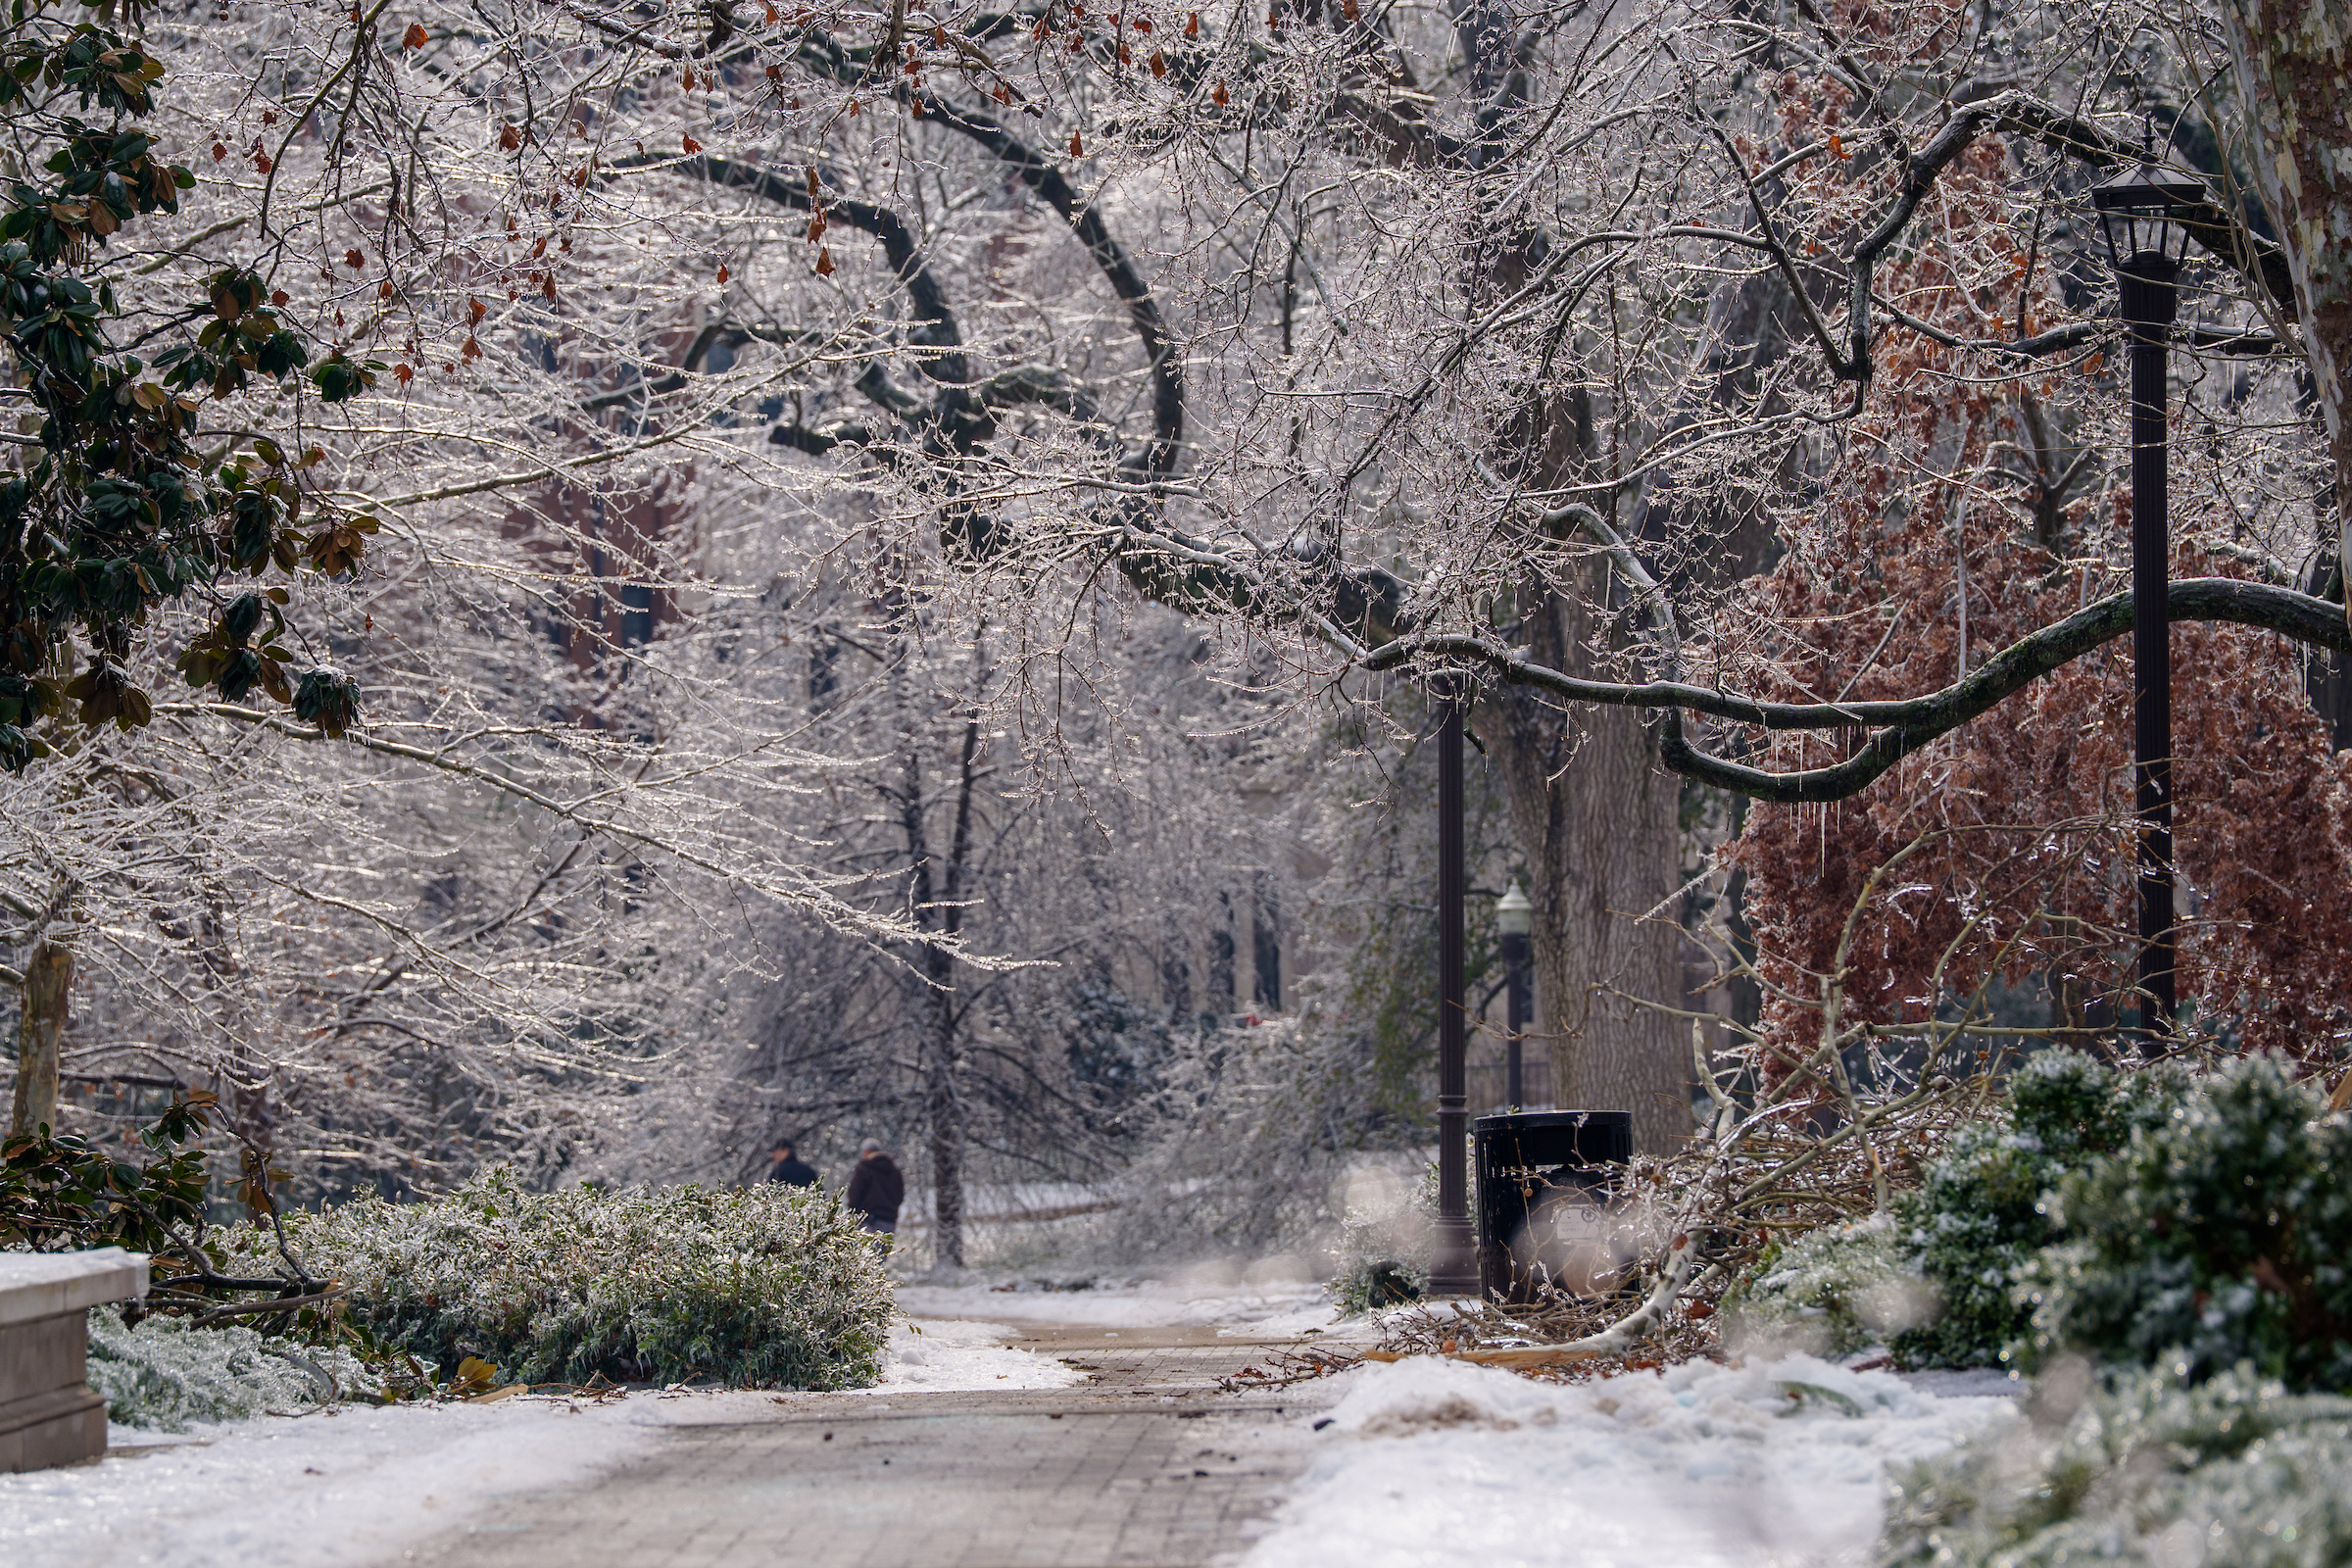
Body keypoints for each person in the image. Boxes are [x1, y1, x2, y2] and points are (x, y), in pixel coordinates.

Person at [844, 1138, 905, 1241]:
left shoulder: (864, 1168)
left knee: (867, 1254)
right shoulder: (894, 1170)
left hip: (869, 1221)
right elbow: (900, 1196)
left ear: (866, 1151)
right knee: (882, 1254)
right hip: (889, 1221)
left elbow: (854, 1194)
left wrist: (853, 1215)